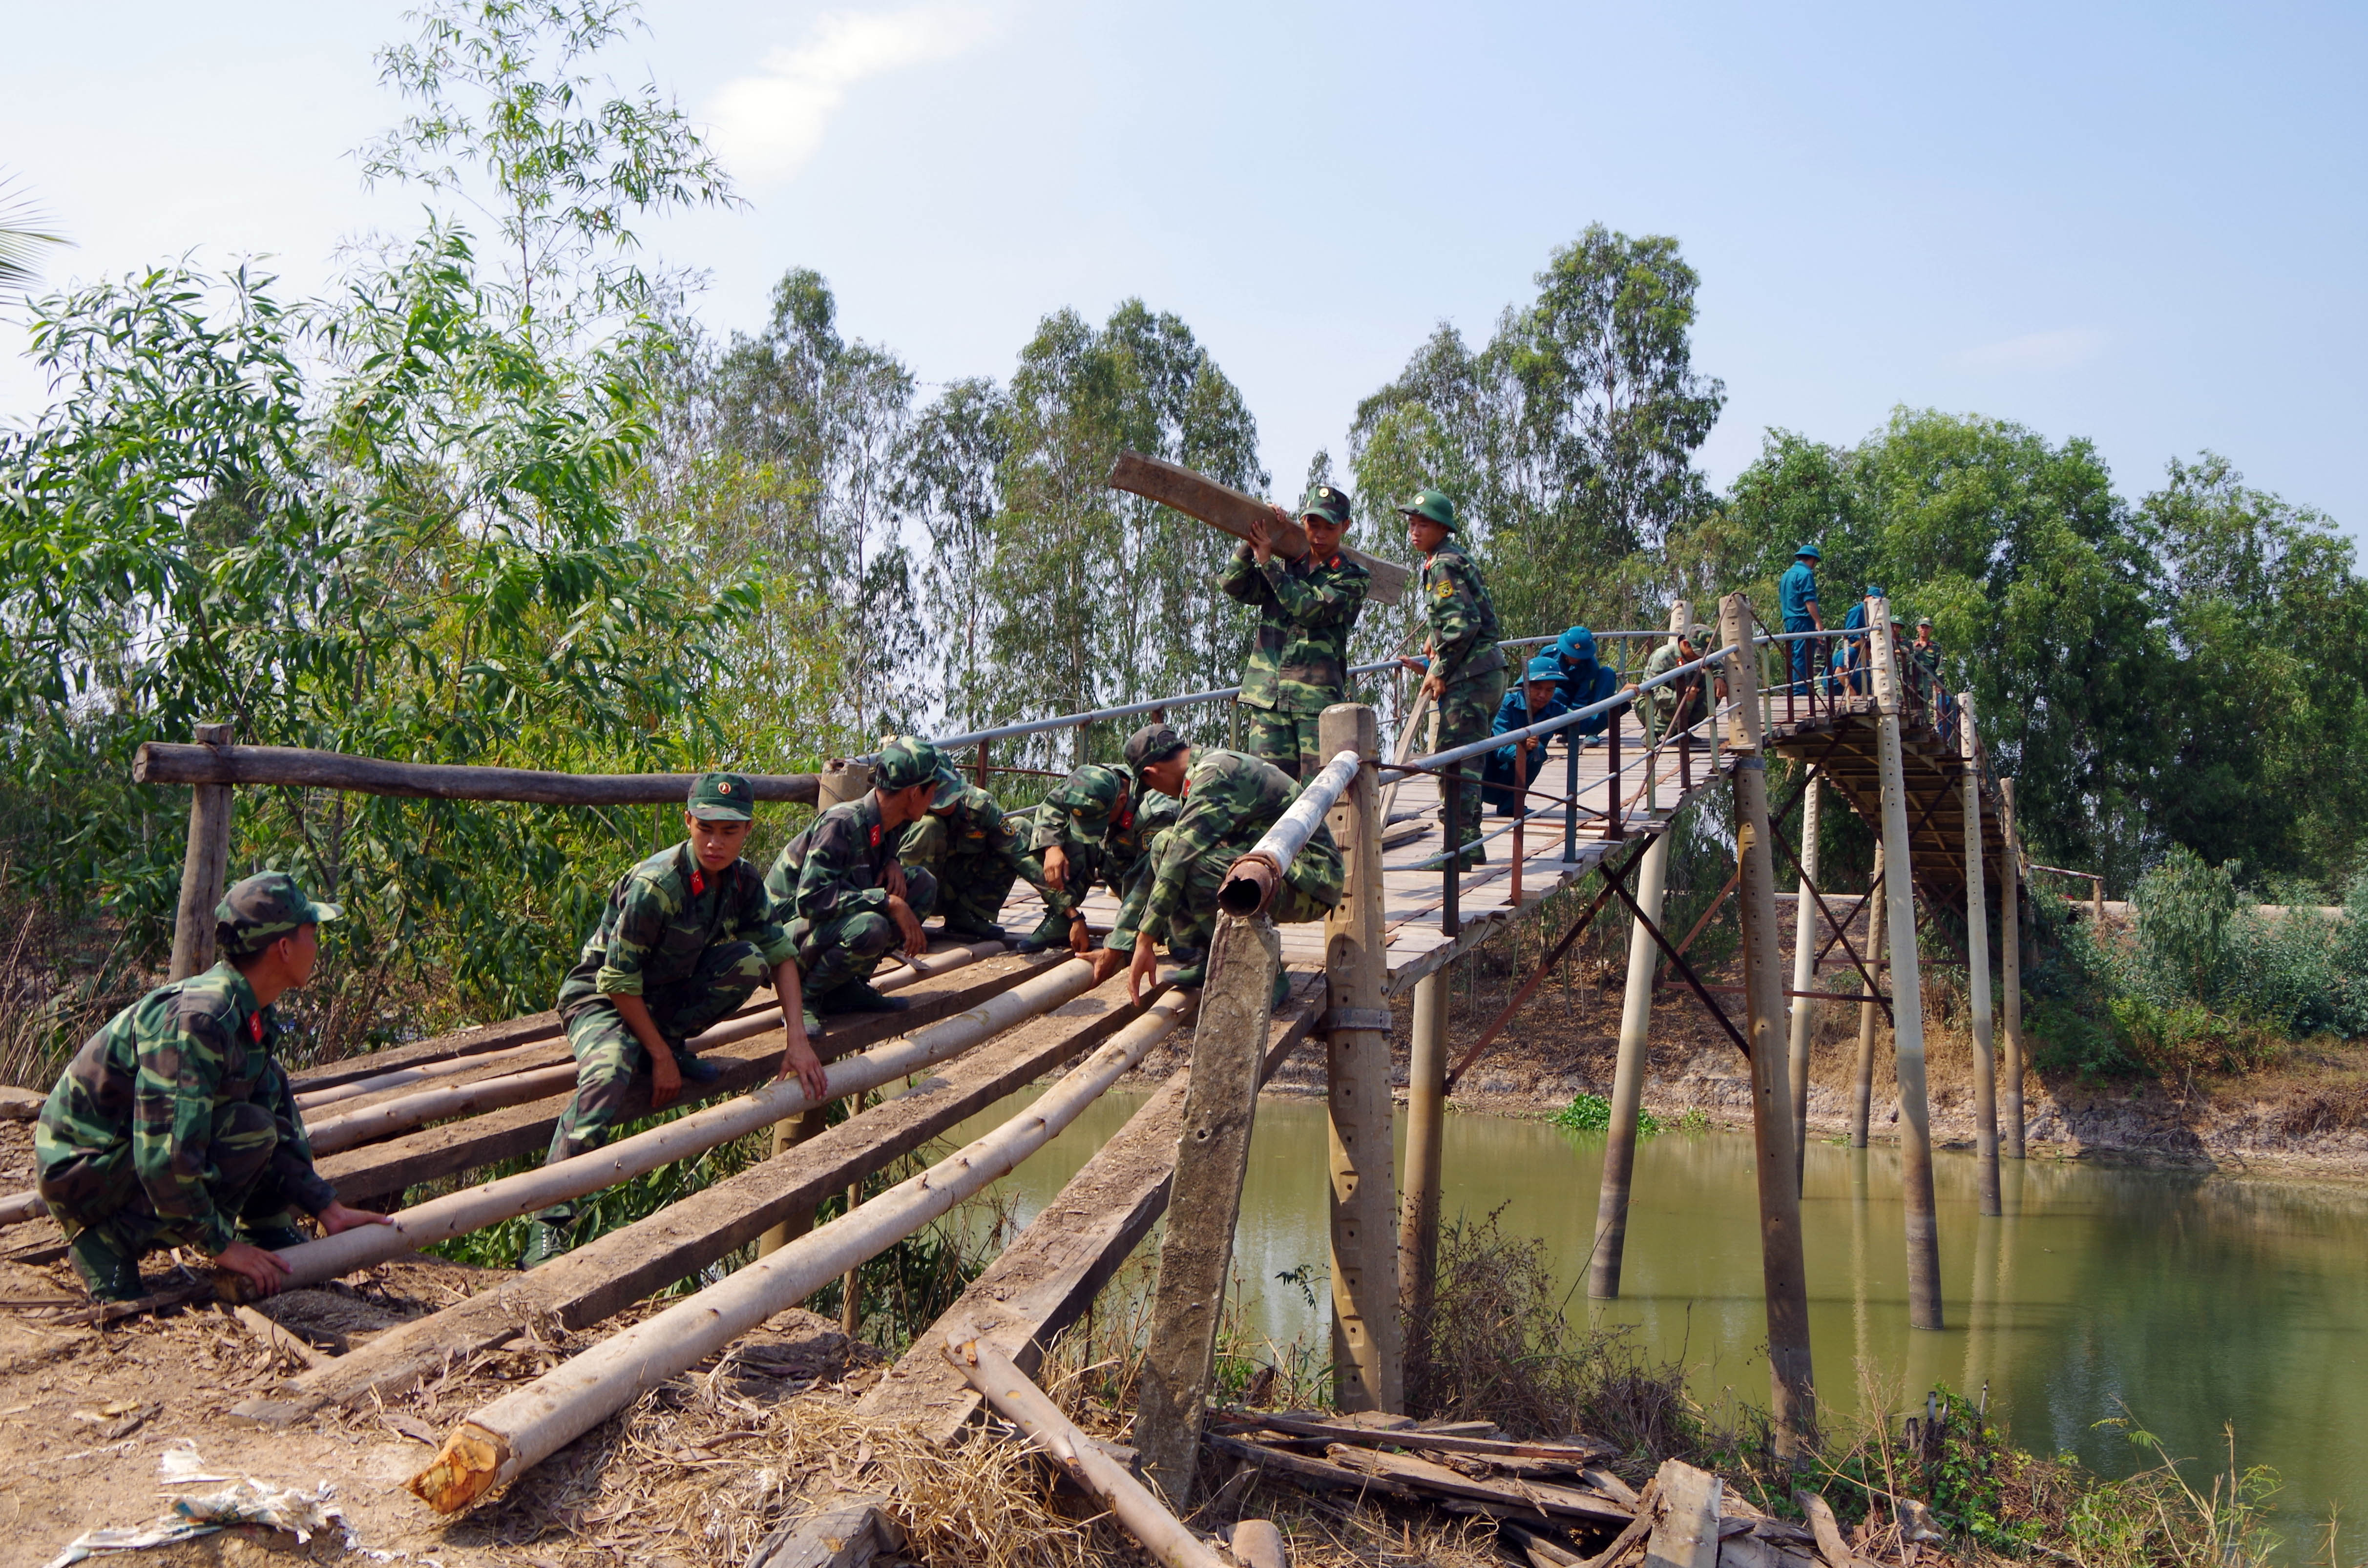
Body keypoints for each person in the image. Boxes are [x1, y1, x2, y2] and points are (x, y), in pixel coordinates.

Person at [35, 872, 395, 1302]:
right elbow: (165, 1157)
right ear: (283, 947)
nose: (317, 946)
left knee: (269, 1094)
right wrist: (221, 1247)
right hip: (82, 1170)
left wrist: (326, 1207)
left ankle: (265, 1224)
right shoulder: (200, 1020)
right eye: (312, 933)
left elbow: (273, 1121)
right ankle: (109, 1240)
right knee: (247, 1127)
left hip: (121, 1156)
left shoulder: (247, 1011)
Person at [527, 773, 821, 1267]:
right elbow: (617, 981)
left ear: (748, 829)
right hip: (600, 999)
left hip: (662, 993)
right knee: (609, 1073)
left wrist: (798, 1038)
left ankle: (663, 1043)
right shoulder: (656, 885)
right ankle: (546, 1220)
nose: (715, 841)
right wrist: (661, 1057)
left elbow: (779, 953)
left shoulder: (744, 881)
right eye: (705, 827)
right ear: (687, 821)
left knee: (747, 960)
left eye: (729, 831)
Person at [1121, 723, 1344, 1004]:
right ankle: (1208, 956)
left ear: (1151, 774)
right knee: (1163, 843)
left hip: (1311, 881)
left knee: (1194, 863)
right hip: (1275, 870)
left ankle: (1267, 974)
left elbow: (1179, 859)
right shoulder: (1206, 767)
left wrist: (1144, 940)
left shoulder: (1214, 775)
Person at [766, 738, 944, 1022]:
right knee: (870, 925)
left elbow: (864, 863)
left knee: (921, 885)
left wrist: (892, 860)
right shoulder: (842, 822)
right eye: (932, 791)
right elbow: (812, 900)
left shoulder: (894, 821)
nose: (934, 799)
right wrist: (887, 902)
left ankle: (847, 985)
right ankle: (804, 998)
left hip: (824, 927)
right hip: (783, 938)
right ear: (913, 794)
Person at [1219, 483, 1370, 779]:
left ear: (1345, 526)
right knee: (1269, 791)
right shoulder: (1289, 566)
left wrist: (1269, 565)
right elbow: (1233, 584)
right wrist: (1256, 538)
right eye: (1313, 524)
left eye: (1330, 526)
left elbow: (1310, 609)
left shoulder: (1352, 577)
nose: (1320, 533)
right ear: (1304, 523)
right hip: (1268, 698)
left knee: (1319, 794)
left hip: (1316, 705)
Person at [1393, 489, 1505, 869]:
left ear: (1442, 527)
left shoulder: (1442, 563)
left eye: (1422, 524)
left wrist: (1439, 668)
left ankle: (1455, 850)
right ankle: (1469, 845)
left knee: (1454, 763)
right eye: (1411, 524)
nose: (1414, 531)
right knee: (1468, 761)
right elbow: (1465, 613)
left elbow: (1464, 624)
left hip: (1471, 678)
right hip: (1487, 674)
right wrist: (1434, 636)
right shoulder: (1452, 558)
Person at [1017, 760, 1180, 978]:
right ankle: (1062, 919)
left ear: (1122, 801)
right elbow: (1054, 805)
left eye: (1100, 821)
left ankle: (1160, 931)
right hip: (1115, 864)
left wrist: (1116, 945)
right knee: (1052, 836)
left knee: (1177, 943)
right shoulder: (1087, 784)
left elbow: (1144, 882)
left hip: (1159, 886)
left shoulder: (1155, 809)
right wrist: (1052, 848)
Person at [898, 758, 1065, 948]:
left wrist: (1065, 907)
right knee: (928, 826)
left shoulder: (979, 805)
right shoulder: (907, 806)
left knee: (1020, 828)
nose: (947, 803)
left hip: (962, 887)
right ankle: (905, 927)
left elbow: (1019, 855)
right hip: (920, 894)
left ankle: (967, 915)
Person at [1481, 655, 1572, 816]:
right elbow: (1501, 751)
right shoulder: (1505, 706)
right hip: (1484, 778)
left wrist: (1620, 703)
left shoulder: (1555, 709)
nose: (1543, 695)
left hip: (1513, 781)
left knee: (1538, 751)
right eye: (1537, 688)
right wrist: (1521, 746)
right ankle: (1469, 806)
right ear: (1524, 687)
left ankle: (1511, 806)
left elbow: (1587, 720)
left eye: (1549, 690)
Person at [1635, 622, 1721, 742]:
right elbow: (1653, 692)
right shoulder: (1663, 657)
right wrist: (1681, 696)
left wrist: (1719, 677)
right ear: (1686, 644)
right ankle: (1652, 732)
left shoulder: (1698, 655)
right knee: (1683, 698)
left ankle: (1682, 731)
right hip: (1653, 705)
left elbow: (1717, 663)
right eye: (1698, 653)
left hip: (1686, 696)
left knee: (1711, 691)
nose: (1700, 658)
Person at [1549, 625, 1620, 743]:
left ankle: (1592, 730)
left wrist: (1574, 722)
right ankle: (1560, 729)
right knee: (1554, 693)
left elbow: (1582, 698)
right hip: (1560, 695)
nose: (1575, 658)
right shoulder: (1549, 655)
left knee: (1608, 674)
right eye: (1571, 653)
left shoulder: (1591, 665)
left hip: (1584, 698)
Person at [1778, 544, 1823, 695]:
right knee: (1803, 655)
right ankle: (1800, 692)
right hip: (1802, 620)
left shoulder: (1787, 575)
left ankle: (1794, 688)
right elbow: (1809, 600)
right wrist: (1818, 621)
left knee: (1793, 655)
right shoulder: (1805, 574)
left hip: (1789, 619)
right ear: (1812, 560)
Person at [1834, 587, 1882, 696]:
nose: (1876, 603)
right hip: (1854, 647)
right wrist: (1866, 637)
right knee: (1846, 670)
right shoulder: (1858, 610)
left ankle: (1866, 695)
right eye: (1874, 599)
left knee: (1865, 676)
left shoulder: (1874, 612)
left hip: (1864, 649)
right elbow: (1851, 632)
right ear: (1867, 598)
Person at [1909, 616, 1952, 733]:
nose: (1924, 630)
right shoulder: (1912, 646)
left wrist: (1938, 683)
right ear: (1918, 629)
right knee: (1915, 704)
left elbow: (1941, 666)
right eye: (1922, 627)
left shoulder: (1935, 647)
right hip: (1915, 680)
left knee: (1931, 708)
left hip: (1929, 681)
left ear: (1931, 630)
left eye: (1927, 628)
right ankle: (1916, 727)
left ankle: (1932, 728)